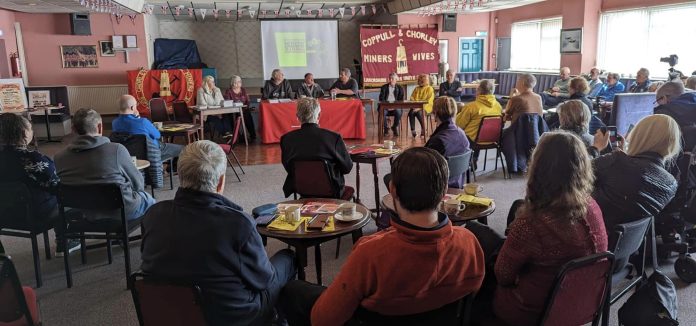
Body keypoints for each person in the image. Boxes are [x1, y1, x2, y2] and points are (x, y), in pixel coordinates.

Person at [280, 147, 485, 326]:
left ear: (393, 190)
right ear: (443, 194)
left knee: (293, 291)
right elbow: (472, 294)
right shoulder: (469, 242)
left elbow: (322, 320)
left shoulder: (370, 253)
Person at [140, 140, 295, 326]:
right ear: (221, 181)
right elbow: (263, 280)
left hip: (169, 313)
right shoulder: (238, 224)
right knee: (287, 259)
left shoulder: (153, 215)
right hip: (232, 317)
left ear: (180, 175)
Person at [491, 131, 608, 326]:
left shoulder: (530, 224)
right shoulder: (592, 207)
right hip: (584, 303)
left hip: (534, 312)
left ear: (537, 167)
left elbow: (503, 276)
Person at [54, 108, 155, 221]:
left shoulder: (59, 158)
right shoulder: (117, 150)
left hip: (83, 212)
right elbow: (138, 184)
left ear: (73, 130)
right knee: (149, 200)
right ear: (100, 127)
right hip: (119, 211)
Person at [0, 113, 79, 256]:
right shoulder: (32, 159)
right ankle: (64, 241)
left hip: (4, 214)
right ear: (24, 132)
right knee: (66, 196)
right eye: (30, 128)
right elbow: (56, 185)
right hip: (33, 215)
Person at [591, 114, 680, 235]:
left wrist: (595, 148)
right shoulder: (671, 184)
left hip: (590, 234)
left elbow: (574, 171)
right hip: (623, 245)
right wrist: (623, 156)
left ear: (638, 135)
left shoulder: (617, 161)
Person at [280, 98, 353, 198]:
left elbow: (289, 168)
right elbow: (347, 168)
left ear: (298, 117)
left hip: (302, 189)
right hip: (332, 192)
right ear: (319, 115)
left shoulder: (286, 139)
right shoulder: (333, 138)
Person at [113, 95, 184, 162]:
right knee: (184, 149)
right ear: (132, 108)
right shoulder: (143, 122)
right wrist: (139, 118)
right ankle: (174, 169)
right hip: (151, 152)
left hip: (129, 155)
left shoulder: (114, 123)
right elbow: (157, 135)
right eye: (136, 106)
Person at [426, 97, 471, 188]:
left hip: (437, 189)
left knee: (391, 177)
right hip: (457, 184)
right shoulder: (462, 134)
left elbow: (426, 169)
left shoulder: (438, 141)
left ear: (435, 114)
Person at [224, 75, 256, 140]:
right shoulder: (229, 91)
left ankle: (253, 135)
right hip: (233, 111)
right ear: (233, 83)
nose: (239, 83)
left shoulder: (243, 90)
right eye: (237, 82)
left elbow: (248, 101)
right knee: (232, 117)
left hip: (243, 109)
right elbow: (228, 102)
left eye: (240, 81)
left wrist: (244, 108)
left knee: (247, 115)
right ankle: (237, 136)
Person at [408, 73, 435, 138]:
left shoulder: (430, 89)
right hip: (416, 107)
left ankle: (424, 130)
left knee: (420, 113)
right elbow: (412, 98)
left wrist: (420, 108)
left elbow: (429, 101)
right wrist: (414, 106)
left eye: (421, 80)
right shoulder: (416, 88)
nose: (420, 81)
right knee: (411, 113)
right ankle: (413, 131)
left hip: (426, 107)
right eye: (419, 80)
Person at [378, 72, 405, 136]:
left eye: (392, 78)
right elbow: (381, 99)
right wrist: (387, 106)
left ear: (396, 80)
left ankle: (394, 127)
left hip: (395, 107)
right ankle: (386, 128)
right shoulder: (384, 87)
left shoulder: (400, 88)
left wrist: (394, 106)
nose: (390, 80)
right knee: (382, 112)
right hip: (385, 107)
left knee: (398, 111)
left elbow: (401, 101)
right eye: (390, 78)